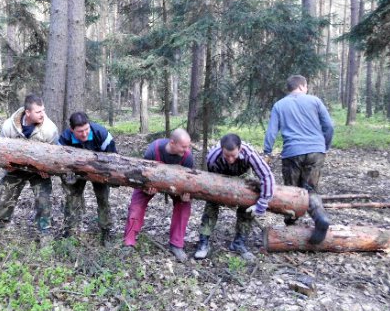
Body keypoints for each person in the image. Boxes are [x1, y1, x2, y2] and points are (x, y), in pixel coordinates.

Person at [263, 75, 333, 242]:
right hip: (316, 151)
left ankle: (291, 223)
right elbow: (329, 126)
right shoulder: (315, 101)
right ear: (302, 86)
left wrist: (267, 152)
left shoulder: (279, 105)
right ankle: (320, 218)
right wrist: (325, 146)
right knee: (310, 190)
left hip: (292, 153)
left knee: (292, 191)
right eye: (306, 87)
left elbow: (272, 131)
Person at [194, 133, 275, 262]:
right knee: (211, 206)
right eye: (227, 156)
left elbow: (266, 176)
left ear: (240, 149)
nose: (230, 159)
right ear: (221, 150)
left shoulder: (250, 154)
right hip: (220, 178)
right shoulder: (212, 157)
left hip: (243, 177)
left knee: (248, 206)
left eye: (233, 155)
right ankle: (203, 242)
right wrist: (222, 196)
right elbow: (210, 179)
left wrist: (262, 203)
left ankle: (239, 242)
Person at [0, 94, 59, 240]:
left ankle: (44, 232)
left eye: (43, 110)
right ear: (27, 112)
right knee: (4, 194)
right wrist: (7, 165)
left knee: (44, 199)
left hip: (39, 171)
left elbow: (55, 155)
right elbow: (1, 149)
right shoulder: (9, 126)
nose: (43, 114)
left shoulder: (50, 129)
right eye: (38, 112)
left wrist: (47, 169)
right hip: (16, 168)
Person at [123, 129, 193, 262]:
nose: (187, 149)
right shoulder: (153, 150)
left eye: (188, 146)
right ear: (172, 143)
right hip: (151, 184)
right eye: (184, 146)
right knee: (136, 205)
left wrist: (186, 195)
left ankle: (176, 244)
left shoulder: (187, 157)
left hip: (176, 187)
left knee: (184, 205)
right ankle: (129, 241)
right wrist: (146, 188)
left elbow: (189, 182)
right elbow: (143, 175)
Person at [58, 112, 117, 245]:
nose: (84, 134)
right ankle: (70, 231)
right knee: (72, 199)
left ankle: (105, 231)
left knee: (103, 199)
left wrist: (111, 178)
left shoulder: (101, 134)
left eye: (86, 130)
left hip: (100, 170)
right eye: (80, 132)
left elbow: (115, 161)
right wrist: (67, 178)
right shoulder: (64, 139)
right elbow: (58, 163)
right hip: (75, 171)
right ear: (72, 130)